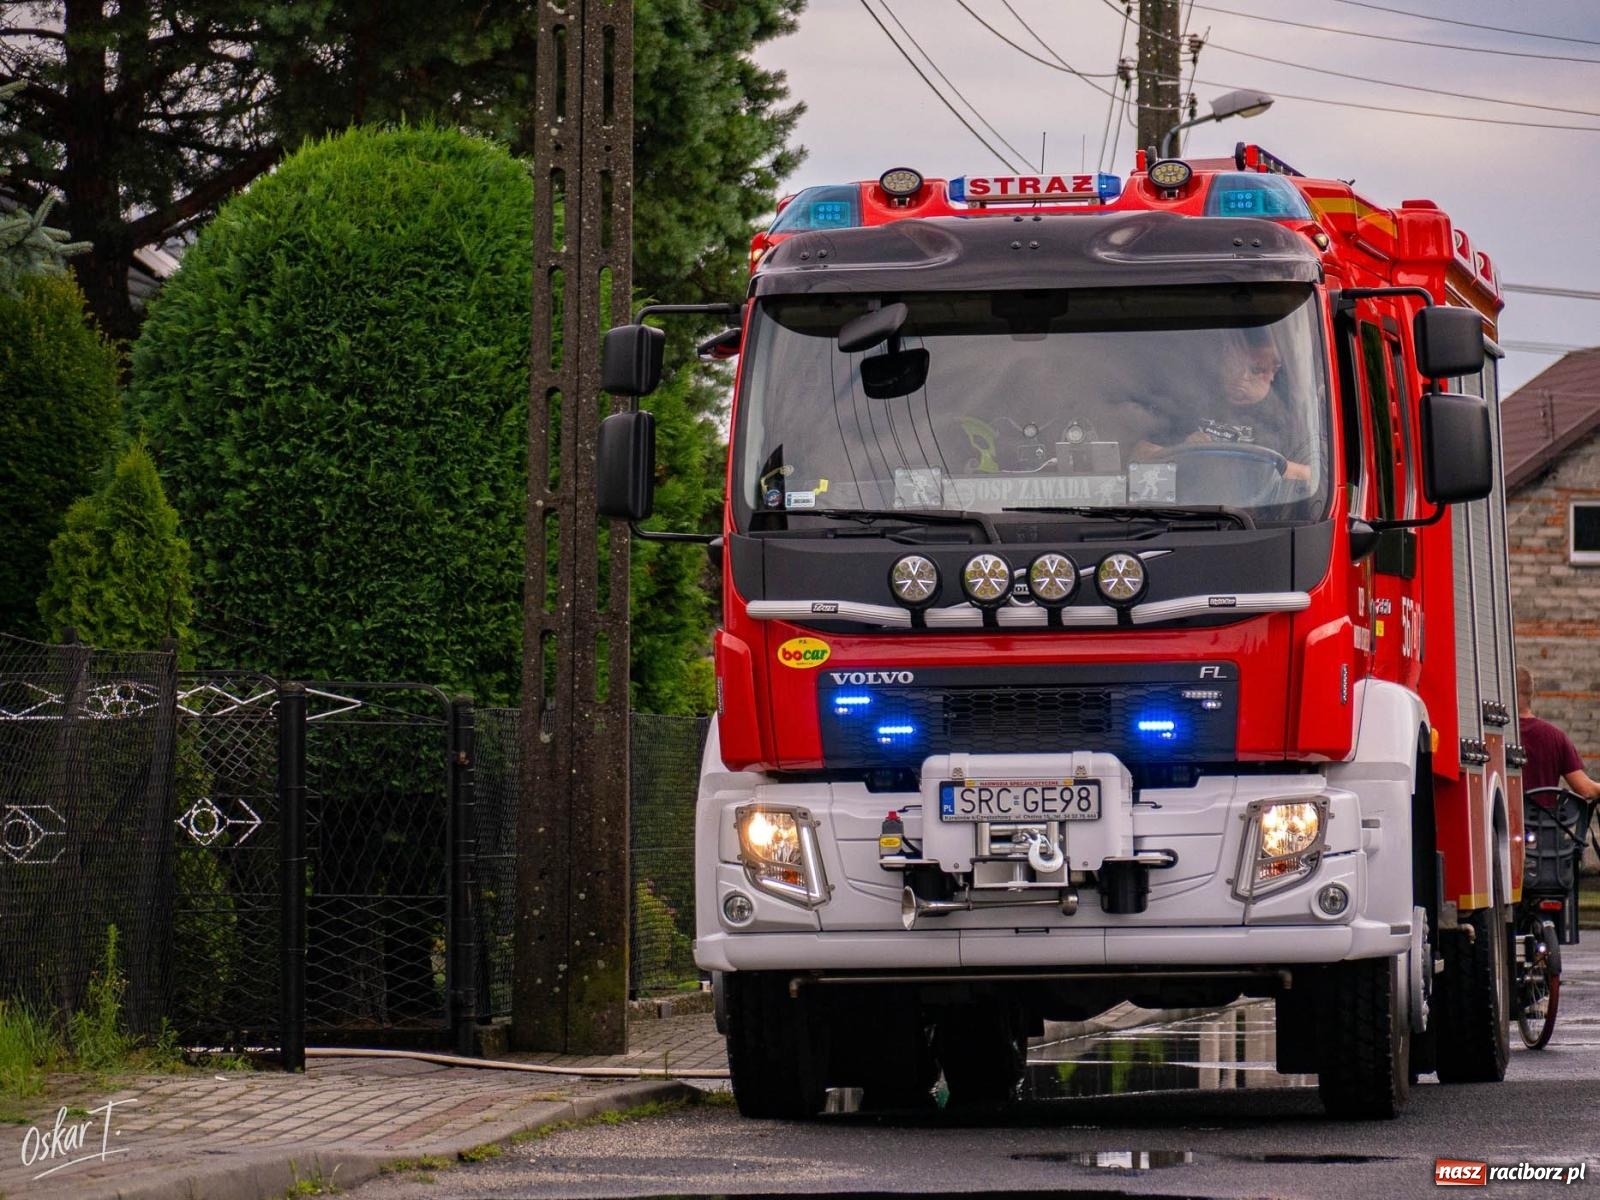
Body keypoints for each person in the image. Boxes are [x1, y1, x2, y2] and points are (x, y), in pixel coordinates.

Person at [1133, 328, 1313, 484]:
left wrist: (1264, 466)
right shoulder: (1190, 401)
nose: (1242, 377)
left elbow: (1311, 476)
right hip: (1187, 507)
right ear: (1225, 358)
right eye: (1236, 365)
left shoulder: (1287, 419)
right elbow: (1139, 456)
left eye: (1256, 370)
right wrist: (1182, 451)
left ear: (1274, 370)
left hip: (1256, 511)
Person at [1518, 664, 1600, 805]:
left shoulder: (1493, 736)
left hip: (1500, 818)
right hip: (1544, 819)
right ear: (1532, 694)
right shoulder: (1554, 736)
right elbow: (1586, 789)